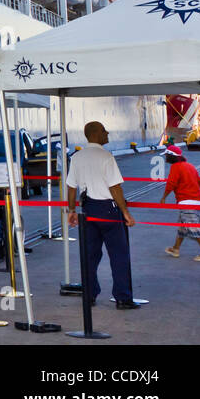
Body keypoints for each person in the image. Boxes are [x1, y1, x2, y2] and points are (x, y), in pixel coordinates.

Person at [66, 120, 138, 310]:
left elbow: (71, 188)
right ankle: (122, 298)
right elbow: (115, 188)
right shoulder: (106, 156)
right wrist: (125, 212)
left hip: (88, 210)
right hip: (108, 210)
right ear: (96, 133)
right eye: (104, 131)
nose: (107, 133)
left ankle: (89, 296)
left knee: (89, 256)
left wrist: (71, 211)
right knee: (119, 255)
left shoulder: (77, 157)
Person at [160, 144, 200, 261]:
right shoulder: (190, 166)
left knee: (193, 227)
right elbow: (199, 182)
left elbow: (171, 184)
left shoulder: (176, 167)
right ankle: (176, 249)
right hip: (195, 200)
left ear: (172, 156)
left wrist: (164, 198)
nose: (165, 157)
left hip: (186, 201)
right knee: (182, 227)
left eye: (166, 155)